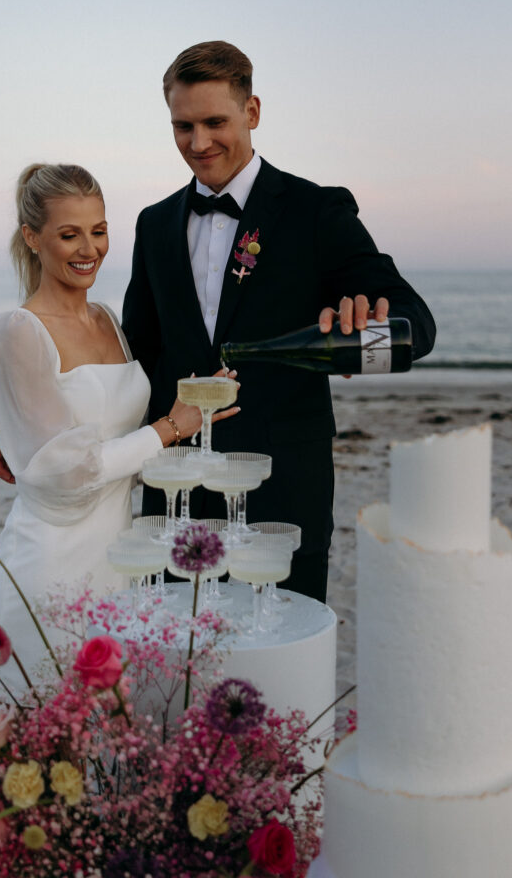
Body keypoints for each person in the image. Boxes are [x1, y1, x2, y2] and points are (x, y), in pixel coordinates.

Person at [121, 41, 436, 603]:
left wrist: (365, 321)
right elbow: (135, 357)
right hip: (177, 490)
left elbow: (418, 325)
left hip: (281, 486)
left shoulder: (316, 211)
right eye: (182, 126)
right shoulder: (153, 225)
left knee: (283, 660)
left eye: (215, 121)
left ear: (253, 112)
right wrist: (51, 425)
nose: (198, 143)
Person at [0, 163, 237, 691]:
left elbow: (103, 427)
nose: (88, 249)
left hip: (120, 563)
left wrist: (195, 407)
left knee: (107, 745)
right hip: (51, 564)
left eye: (99, 231)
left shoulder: (108, 320)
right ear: (32, 237)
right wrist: (170, 428)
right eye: (69, 234)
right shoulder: (18, 329)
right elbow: (64, 477)